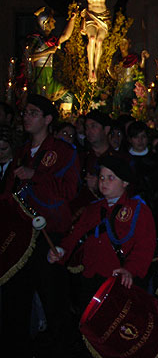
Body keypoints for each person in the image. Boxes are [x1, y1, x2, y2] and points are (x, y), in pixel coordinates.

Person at [0, 94, 81, 357]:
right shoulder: (21, 152)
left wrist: (37, 176)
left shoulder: (64, 151)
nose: (26, 117)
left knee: (52, 297)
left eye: (33, 113)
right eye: (25, 112)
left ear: (47, 119)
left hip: (49, 232)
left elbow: (69, 191)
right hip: (21, 235)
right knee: (16, 296)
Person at [48, 154, 156, 310]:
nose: (104, 182)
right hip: (90, 278)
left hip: (119, 279)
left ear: (125, 182)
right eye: (102, 177)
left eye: (111, 178)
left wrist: (130, 270)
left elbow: (145, 246)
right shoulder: (92, 209)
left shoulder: (138, 209)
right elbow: (75, 235)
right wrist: (61, 251)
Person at [49, 0, 145, 82]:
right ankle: (91, 70)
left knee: (99, 41)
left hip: (103, 16)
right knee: (92, 38)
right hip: (91, 16)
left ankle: (96, 68)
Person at [27, 6, 77, 102]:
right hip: (39, 75)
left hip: (49, 75)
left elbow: (65, 36)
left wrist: (72, 19)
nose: (54, 21)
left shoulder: (50, 40)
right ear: (45, 23)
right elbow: (28, 58)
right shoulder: (35, 39)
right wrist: (47, 51)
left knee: (68, 96)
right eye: (51, 20)